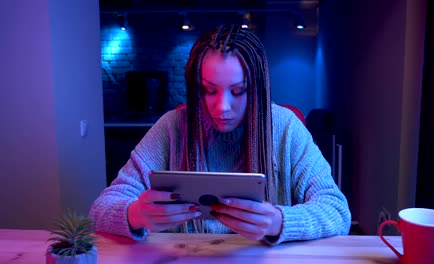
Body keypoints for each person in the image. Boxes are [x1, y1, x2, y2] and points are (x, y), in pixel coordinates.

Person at [89, 25, 351, 245]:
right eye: (209, 90)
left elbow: (337, 211)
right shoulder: (171, 128)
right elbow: (100, 210)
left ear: (258, 88)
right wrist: (135, 214)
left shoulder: (285, 127)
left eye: (238, 91)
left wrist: (279, 221)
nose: (222, 107)